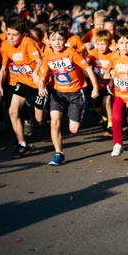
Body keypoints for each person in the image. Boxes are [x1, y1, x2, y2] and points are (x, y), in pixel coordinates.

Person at [37, 23, 99, 166]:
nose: (57, 43)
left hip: (75, 93)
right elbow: (42, 76)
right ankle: (59, 153)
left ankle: (80, 109)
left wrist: (94, 87)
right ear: (48, 41)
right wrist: (41, 87)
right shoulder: (48, 54)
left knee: (73, 129)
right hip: (58, 94)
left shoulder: (71, 52)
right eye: (53, 39)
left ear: (65, 40)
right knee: (54, 121)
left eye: (60, 39)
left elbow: (88, 69)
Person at [0, 17, 43, 158]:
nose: (11, 38)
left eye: (15, 35)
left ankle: (40, 116)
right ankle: (22, 144)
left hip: (39, 82)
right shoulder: (5, 45)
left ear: (22, 34)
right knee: (12, 110)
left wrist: (35, 73)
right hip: (23, 81)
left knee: (40, 118)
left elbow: (40, 61)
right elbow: (3, 68)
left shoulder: (28, 43)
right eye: (8, 34)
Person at [107, 28, 128, 157]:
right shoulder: (114, 56)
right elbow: (110, 71)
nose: (124, 46)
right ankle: (118, 143)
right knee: (115, 117)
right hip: (119, 94)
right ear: (116, 44)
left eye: (127, 43)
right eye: (121, 43)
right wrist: (111, 81)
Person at [87, 30, 114, 136]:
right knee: (98, 108)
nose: (101, 47)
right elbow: (85, 66)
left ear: (109, 43)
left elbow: (115, 70)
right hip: (95, 86)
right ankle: (104, 117)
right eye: (99, 44)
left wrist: (111, 76)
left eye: (104, 44)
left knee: (107, 102)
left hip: (108, 86)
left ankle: (110, 125)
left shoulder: (112, 55)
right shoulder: (93, 53)